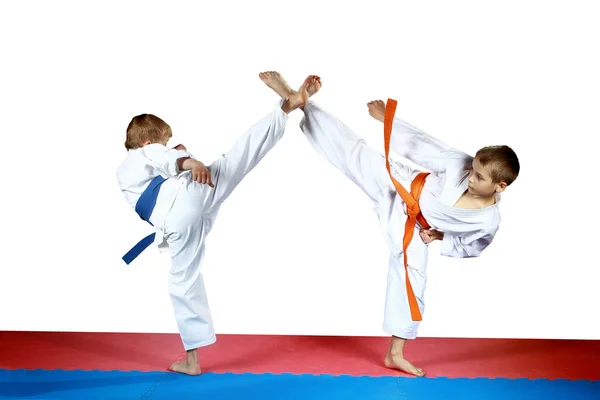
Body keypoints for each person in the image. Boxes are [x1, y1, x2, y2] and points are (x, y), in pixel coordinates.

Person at [268, 73, 519, 377]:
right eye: (474, 169)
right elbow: (426, 145)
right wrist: (387, 119)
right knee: (355, 152)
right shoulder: (461, 163)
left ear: (500, 186)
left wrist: (439, 235)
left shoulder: (487, 221)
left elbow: (473, 245)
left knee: (413, 280)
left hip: (415, 226)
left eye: (479, 177)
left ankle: (395, 354)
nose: (470, 175)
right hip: (399, 185)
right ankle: (303, 104)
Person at [116, 71, 312, 375]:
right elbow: (159, 154)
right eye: (164, 141)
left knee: (184, 281)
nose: (167, 145)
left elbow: (165, 160)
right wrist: (187, 160)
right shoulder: (143, 153)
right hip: (185, 199)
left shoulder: (133, 170)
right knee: (238, 156)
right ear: (146, 140)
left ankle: (192, 360)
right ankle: (284, 109)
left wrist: (183, 158)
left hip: (177, 218)